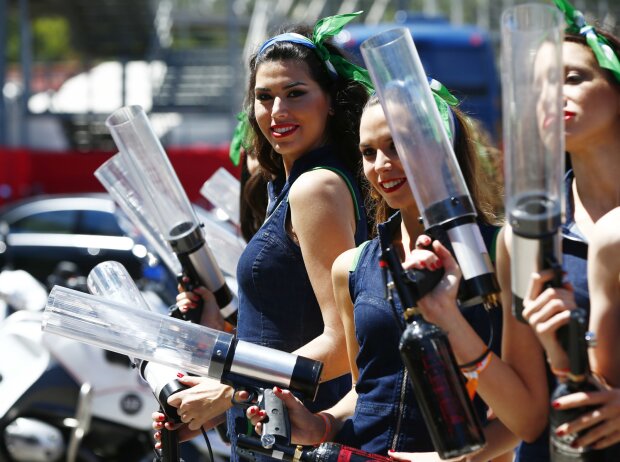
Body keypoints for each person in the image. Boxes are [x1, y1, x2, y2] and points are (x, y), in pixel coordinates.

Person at [152, 11, 374, 460]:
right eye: (264, 97)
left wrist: (229, 390)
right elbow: (282, 328)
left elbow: (342, 340)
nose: (278, 112)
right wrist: (210, 405)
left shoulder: (316, 187)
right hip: (268, 433)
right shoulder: (296, 185)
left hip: (298, 439)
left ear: (330, 100)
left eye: (295, 94)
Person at [247, 90, 509, 461]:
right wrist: (321, 424)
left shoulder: (500, 252)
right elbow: (365, 389)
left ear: (440, 147)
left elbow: (532, 402)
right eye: (368, 152)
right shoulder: (351, 267)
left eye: (396, 145)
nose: (381, 164)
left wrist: (459, 459)